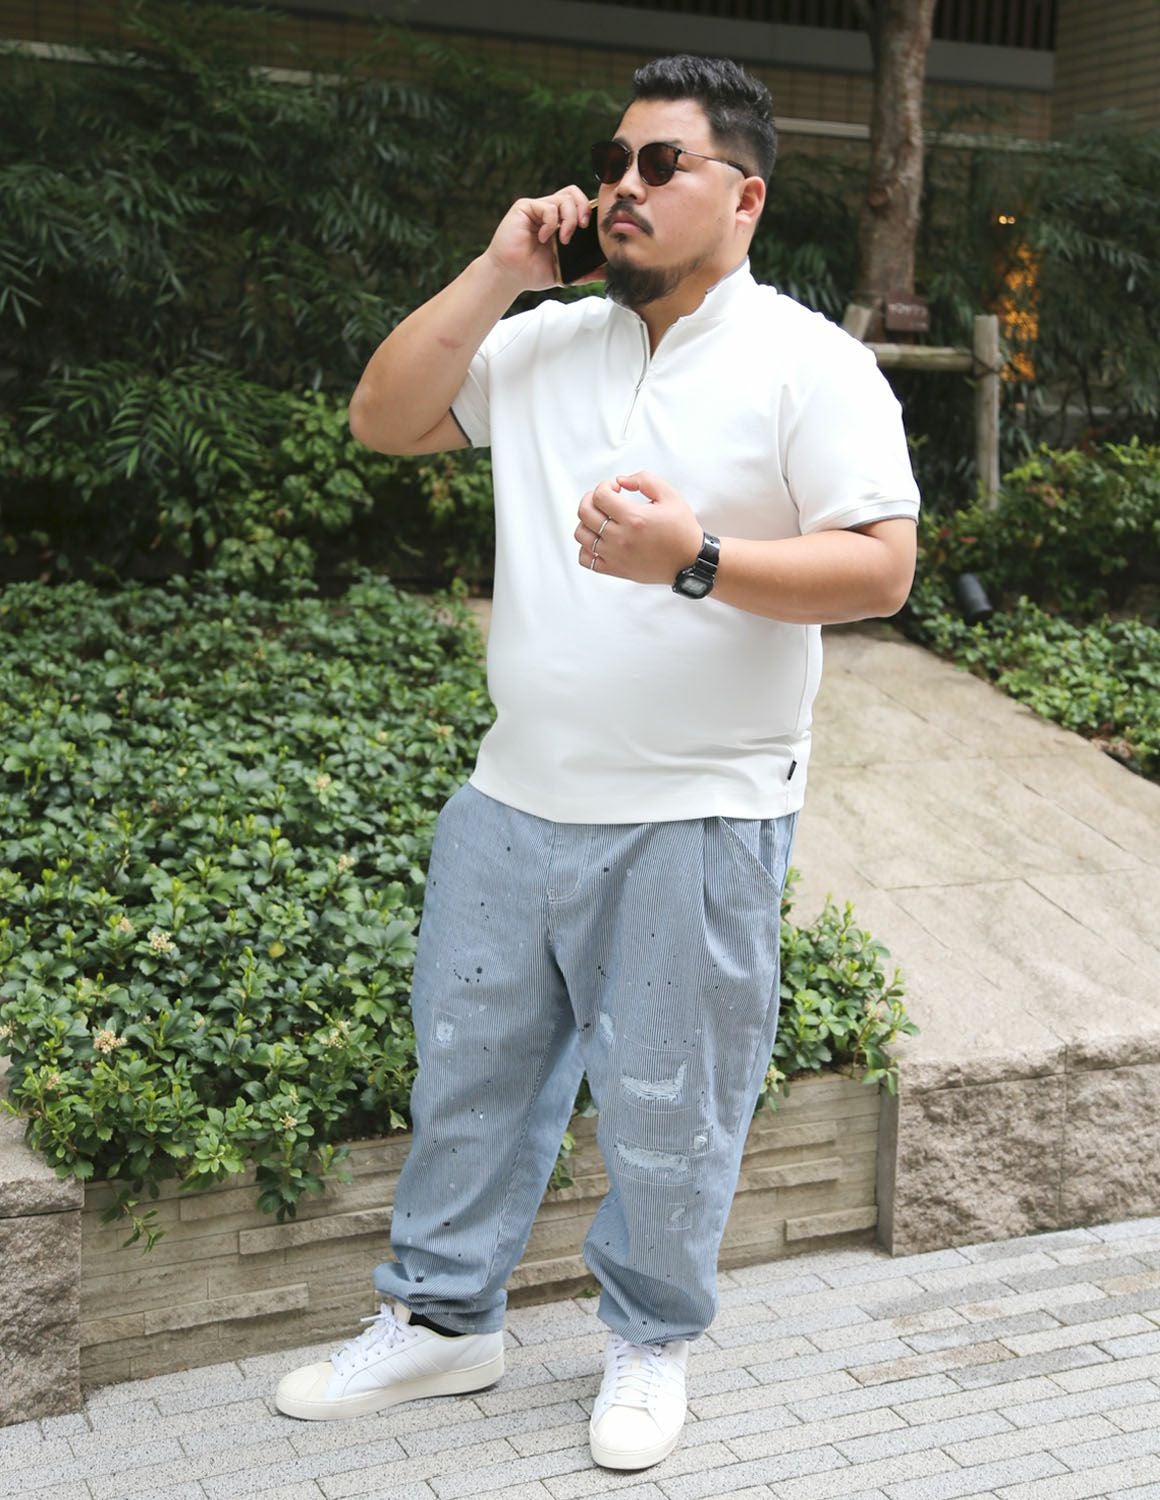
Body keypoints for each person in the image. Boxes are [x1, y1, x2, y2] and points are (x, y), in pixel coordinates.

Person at [274, 52, 919, 1471]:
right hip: (512, 797)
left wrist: (695, 558)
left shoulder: (810, 363)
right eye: (615, 160)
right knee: (469, 1081)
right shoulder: (545, 341)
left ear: (744, 197)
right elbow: (382, 420)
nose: (623, 185)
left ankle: (649, 1343)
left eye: (662, 164)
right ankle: (443, 1323)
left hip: (697, 811)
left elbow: (881, 568)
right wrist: (502, 269)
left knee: (671, 1107)